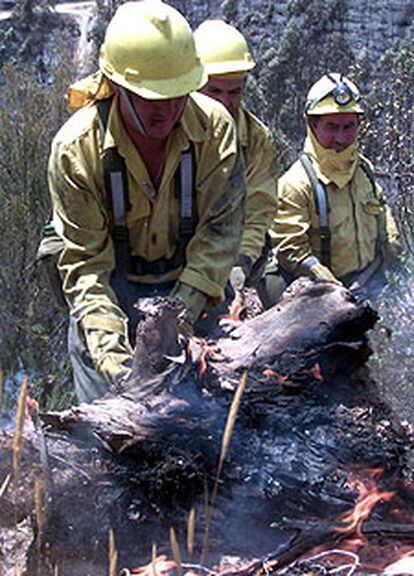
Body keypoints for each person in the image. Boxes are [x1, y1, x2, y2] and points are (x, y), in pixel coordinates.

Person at [46, 1, 246, 403]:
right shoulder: (75, 151)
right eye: (153, 98)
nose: (170, 110)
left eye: (179, 95)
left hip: (191, 287)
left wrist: (177, 327)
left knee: (208, 423)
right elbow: (86, 268)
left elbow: (219, 237)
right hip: (111, 299)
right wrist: (119, 367)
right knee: (110, 430)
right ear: (116, 86)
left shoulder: (215, 132)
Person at [261, 73, 399, 307]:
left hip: (367, 284)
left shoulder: (363, 170)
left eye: (349, 126)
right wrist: (330, 284)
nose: (341, 137)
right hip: (314, 295)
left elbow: (381, 207)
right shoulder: (297, 183)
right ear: (313, 125)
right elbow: (291, 248)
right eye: (331, 127)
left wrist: (391, 240)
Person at [193, 20, 278, 296]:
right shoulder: (173, 131)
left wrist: (240, 261)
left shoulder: (256, 139)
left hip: (231, 261)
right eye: (214, 91)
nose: (225, 103)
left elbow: (258, 210)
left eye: (235, 92)